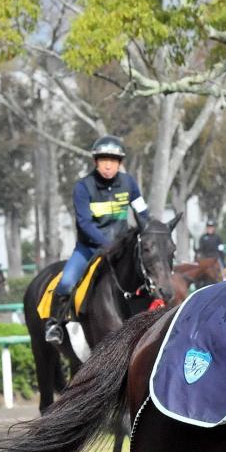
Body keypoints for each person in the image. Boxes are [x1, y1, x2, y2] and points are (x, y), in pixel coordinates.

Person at [45, 135, 150, 344]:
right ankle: (55, 324)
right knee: (66, 283)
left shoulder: (129, 183)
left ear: (120, 163)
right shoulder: (83, 187)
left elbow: (143, 213)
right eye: (103, 160)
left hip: (122, 249)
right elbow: (84, 223)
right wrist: (107, 244)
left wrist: (150, 231)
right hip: (90, 248)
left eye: (113, 160)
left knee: (151, 275)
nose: (108, 165)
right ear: (95, 161)